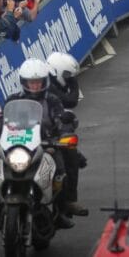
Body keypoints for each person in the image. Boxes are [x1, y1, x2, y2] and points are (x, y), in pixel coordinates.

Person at [0, 59, 75, 229]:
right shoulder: (13, 100)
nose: (35, 86)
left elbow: (61, 119)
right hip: (17, 146)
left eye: (38, 82)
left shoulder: (52, 100)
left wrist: (62, 134)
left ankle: (62, 209)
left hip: (46, 144)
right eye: (31, 82)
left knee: (60, 170)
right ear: (24, 82)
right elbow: (0, 120)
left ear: (45, 82)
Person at [45, 52, 87, 218]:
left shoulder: (52, 85)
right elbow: (71, 100)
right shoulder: (48, 84)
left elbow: (65, 109)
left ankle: (69, 200)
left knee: (71, 154)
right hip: (33, 130)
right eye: (67, 75)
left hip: (50, 127)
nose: (35, 85)